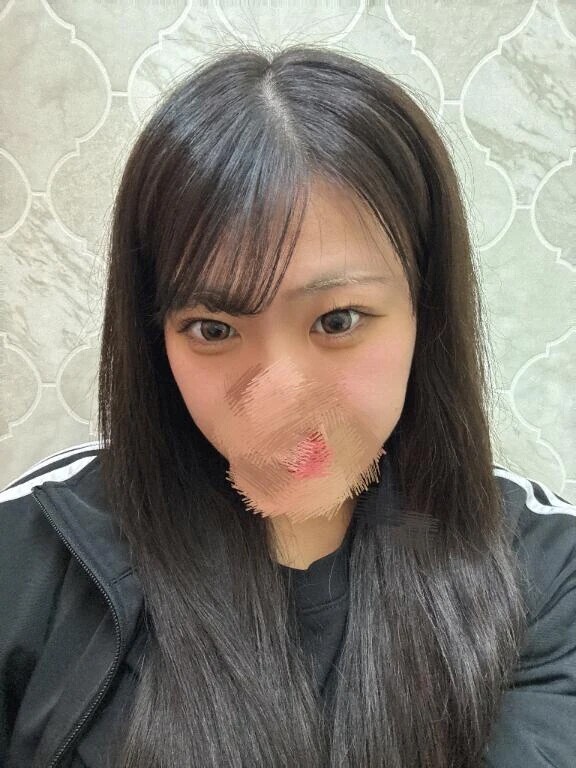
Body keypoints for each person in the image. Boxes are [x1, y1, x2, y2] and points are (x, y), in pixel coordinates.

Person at [1, 44, 575, 768]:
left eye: (338, 320)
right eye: (213, 330)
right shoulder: (30, 549)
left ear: (424, 312)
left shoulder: (546, 567)